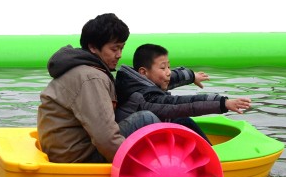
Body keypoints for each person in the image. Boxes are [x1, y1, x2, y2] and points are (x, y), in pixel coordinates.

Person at [37, 14, 161, 163]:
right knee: (146, 118)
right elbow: (105, 138)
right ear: (93, 47)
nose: (119, 55)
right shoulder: (91, 77)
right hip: (77, 156)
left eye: (122, 48)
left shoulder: (80, 69)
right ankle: (164, 165)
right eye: (114, 49)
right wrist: (136, 166)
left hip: (65, 149)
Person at [115, 44, 251, 143]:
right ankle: (210, 159)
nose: (168, 71)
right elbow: (182, 104)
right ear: (143, 72)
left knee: (181, 120)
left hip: (137, 135)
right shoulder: (145, 97)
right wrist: (223, 103)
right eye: (163, 67)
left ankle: (208, 151)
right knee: (180, 118)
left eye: (169, 66)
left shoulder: (134, 81)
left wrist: (192, 76)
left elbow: (171, 77)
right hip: (128, 142)